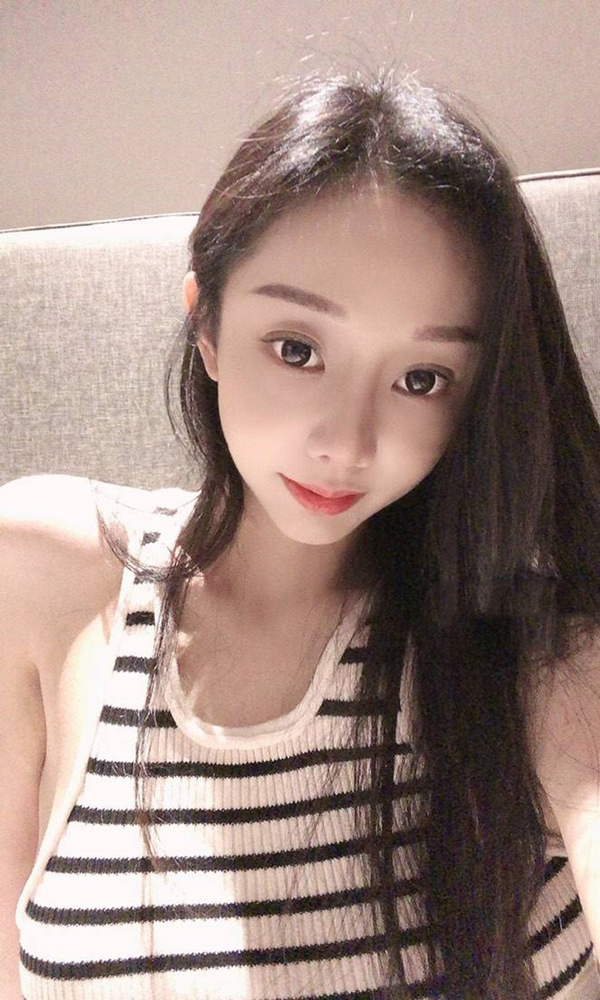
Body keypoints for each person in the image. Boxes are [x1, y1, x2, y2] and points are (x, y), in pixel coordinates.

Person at [2, 67, 600, 1000]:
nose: (348, 445)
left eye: (421, 379)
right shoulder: (50, 572)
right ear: (206, 325)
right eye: (298, 349)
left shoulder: (537, 649)